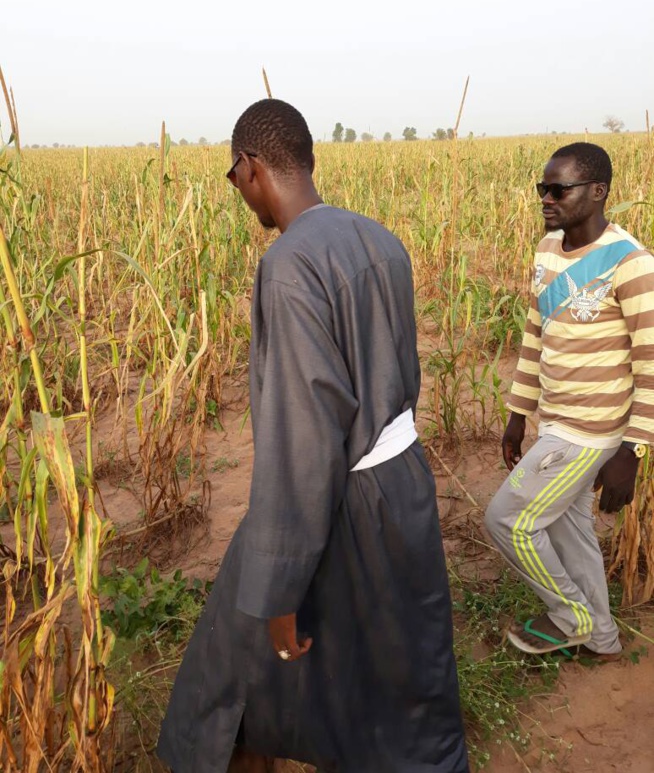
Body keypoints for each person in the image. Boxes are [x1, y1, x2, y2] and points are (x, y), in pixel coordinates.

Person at [157, 99, 469, 773]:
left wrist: (279, 589)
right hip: (400, 484)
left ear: (250, 168)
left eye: (232, 177)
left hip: (343, 495)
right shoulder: (380, 237)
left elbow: (306, 437)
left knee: (227, 676)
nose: (239, 192)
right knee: (397, 670)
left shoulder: (289, 263)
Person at [485, 142, 654, 661]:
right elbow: (537, 336)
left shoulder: (631, 263)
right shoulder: (546, 250)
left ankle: (572, 616)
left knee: (507, 520)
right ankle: (601, 637)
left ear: (597, 191)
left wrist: (633, 450)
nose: (547, 199)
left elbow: (650, 363)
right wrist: (518, 415)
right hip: (554, 421)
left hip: (592, 431)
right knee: (568, 525)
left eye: (559, 189)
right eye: (543, 189)